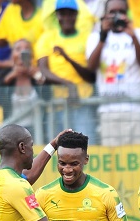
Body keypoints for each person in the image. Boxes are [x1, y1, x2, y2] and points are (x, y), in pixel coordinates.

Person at [85, 0, 140, 146]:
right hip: (109, 110)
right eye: (112, 12)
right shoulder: (95, 37)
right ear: (105, 15)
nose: (117, 15)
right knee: (115, 161)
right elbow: (91, 66)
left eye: (121, 12)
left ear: (127, 14)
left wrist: (133, 36)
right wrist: (103, 37)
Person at [36, 0, 96, 142]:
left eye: (70, 13)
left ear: (76, 15)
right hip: (57, 104)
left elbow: (91, 75)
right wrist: (68, 83)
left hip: (83, 102)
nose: (67, 17)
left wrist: (67, 57)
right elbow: (43, 69)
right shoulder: (47, 38)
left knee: (87, 146)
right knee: (58, 150)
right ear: (57, 16)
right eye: (63, 13)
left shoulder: (87, 37)